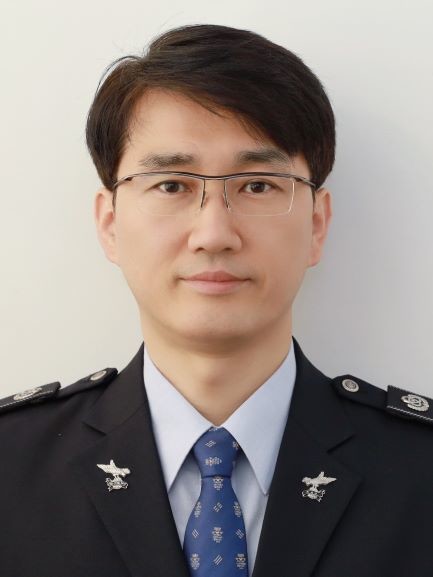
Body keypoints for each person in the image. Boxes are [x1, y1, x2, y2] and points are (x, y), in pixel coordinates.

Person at [1, 23, 432, 577]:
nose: (213, 234)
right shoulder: (11, 464)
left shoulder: (419, 468)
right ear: (110, 224)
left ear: (317, 224)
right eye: (171, 185)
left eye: (257, 185)